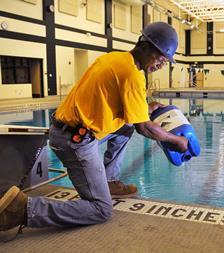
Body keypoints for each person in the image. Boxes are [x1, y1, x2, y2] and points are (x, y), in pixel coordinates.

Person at [0, 22, 188, 233]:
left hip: (66, 129)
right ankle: (23, 210)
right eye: (160, 57)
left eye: (165, 60)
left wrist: (146, 107)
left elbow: (126, 110)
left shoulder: (115, 58)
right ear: (145, 46)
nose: (162, 64)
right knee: (101, 209)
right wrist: (176, 140)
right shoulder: (133, 75)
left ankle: (107, 180)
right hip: (75, 142)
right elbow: (144, 128)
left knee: (125, 127)